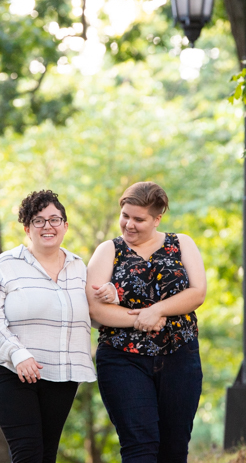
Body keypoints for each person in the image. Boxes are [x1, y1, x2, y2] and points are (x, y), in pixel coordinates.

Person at [88, 181, 206, 463]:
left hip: (180, 355)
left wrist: (159, 310)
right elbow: (95, 310)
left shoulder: (182, 243)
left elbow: (197, 292)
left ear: (157, 219)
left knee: (174, 448)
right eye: (125, 215)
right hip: (122, 360)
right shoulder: (109, 250)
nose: (129, 225)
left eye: (139, 219)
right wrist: (144, 319)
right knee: (140, 447)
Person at [0, 189, 97, 463]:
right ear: (27, 228)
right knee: (28, 454)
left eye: (55, 219)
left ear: (65, 226)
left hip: (62, 374)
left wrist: (110, 296)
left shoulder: (79, 267)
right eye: (38, 220)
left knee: (46, 455)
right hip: (10, 371)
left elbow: (93, 312)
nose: (48, 226)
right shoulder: (3, 267)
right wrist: (17, 353)